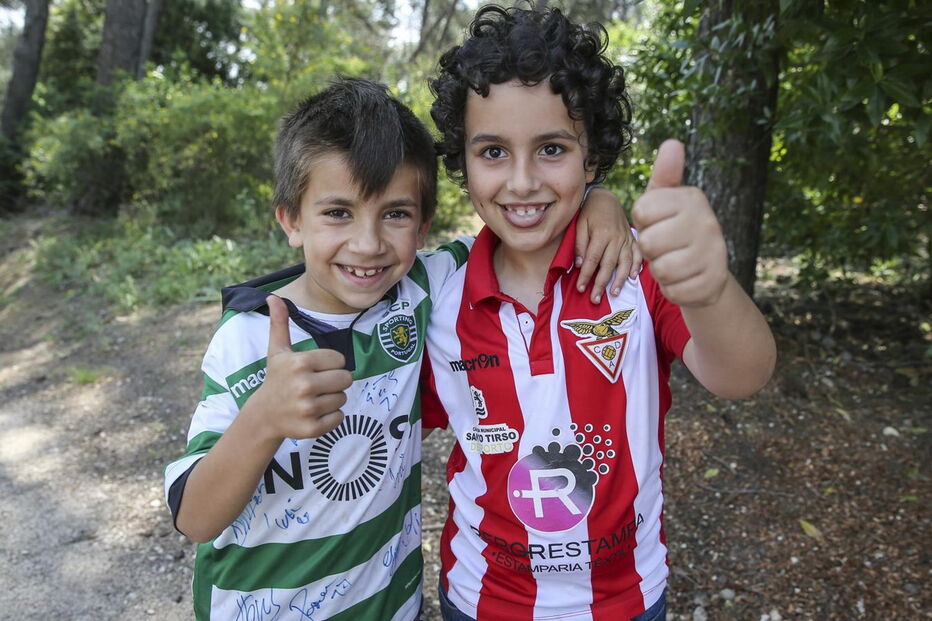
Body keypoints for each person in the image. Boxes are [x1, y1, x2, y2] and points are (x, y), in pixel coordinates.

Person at [163, 77, 639, 620]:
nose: (368, 244)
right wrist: (263, 421)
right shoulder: (247, 336)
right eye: (338, 213)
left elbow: (525, 223)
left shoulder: (420, 291)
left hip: (393, 607)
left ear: (423, 223)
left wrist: (600, 201)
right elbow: (194, 519)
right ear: (291, 219)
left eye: (395, 214)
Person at [422, 5, 777, 620]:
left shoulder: (635, 272)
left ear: (592, 161)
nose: (523, 180)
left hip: (626, 600)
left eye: (552, 148)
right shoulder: (438, 297)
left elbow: (742, 375)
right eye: (493, 151)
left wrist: (708, 291)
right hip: (479, 599)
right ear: (463, 161)